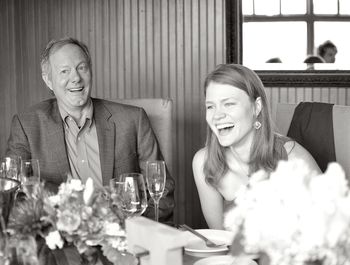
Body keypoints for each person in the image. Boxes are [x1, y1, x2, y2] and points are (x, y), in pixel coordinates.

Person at [5, 37, 175, 222]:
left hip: (124, 236)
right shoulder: (27, 125)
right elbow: (12, 193)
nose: (76, 78)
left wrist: (133, 230)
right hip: (60, 239)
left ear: (90, 71)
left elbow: (162, 191)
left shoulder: (132, 120)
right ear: (48, 80)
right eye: (64, 71)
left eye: (82, 67)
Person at [192, 64, 320, 229]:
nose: (217, 115)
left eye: (229, 104)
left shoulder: (293, 159)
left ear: (256, 107)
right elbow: (219, 238)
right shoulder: (203, 162)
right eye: (210, 106)